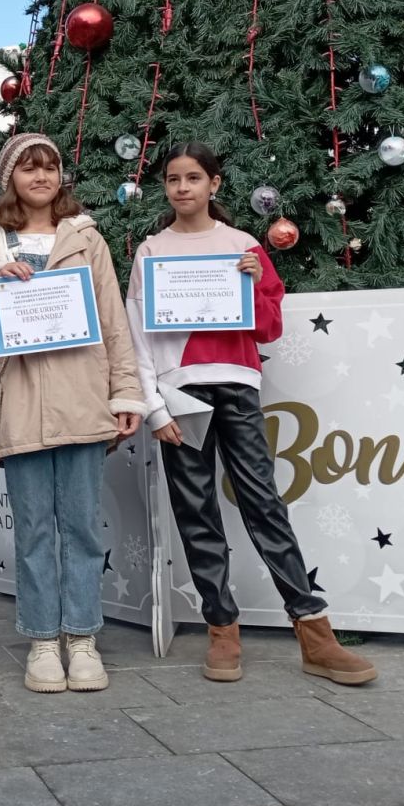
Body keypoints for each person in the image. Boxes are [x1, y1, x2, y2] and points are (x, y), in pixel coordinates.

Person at [126, 142, 376, 687]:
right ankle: (222, 628)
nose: (183, 187)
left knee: (264, 503)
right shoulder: (151, 250)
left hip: (236, 387)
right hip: (180, 396)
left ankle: (314, 631)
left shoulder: (242, 244)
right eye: (173, 179)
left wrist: (255, 279)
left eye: (194, 177)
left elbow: (268, 328)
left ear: (215, 184)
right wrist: (152, 407)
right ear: (165, 187)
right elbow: (137, 335)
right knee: (196, 512)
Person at [0, 133, 146, 694]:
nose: (40, 177)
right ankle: (42, 641)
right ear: (10, 177)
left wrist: (125, 394)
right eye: (27, 168)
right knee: (35, 529)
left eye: (50, 168)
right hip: (19, 405)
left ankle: (83, 638)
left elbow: (114, 322)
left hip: (82, 399)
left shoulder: (85, 237)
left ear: (62, 176)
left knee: (82, 528)